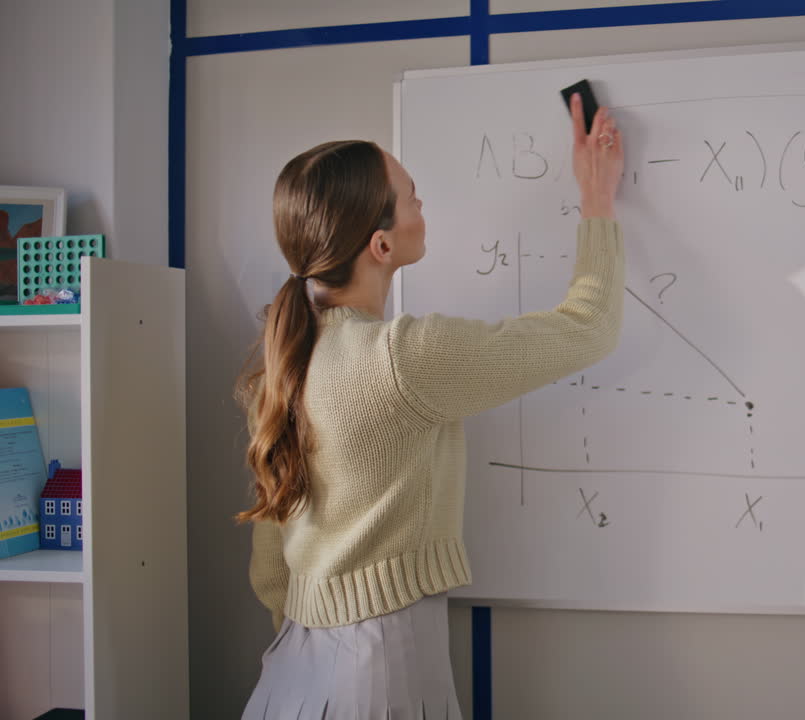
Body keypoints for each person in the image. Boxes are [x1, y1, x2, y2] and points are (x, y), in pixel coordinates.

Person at [237, 93, 624, 718]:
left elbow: (269, 562)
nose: (423, 206)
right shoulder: (403, 357)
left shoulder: (284, 364)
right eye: (412, 196)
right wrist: (598, 201)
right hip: (381, 665)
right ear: (381, 245)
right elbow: (590, 328)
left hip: (294, 665)